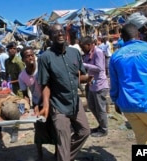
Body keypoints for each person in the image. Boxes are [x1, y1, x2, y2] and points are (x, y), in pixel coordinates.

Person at [38, 23, 90, 161]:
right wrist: (46, 105)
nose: (60, 34)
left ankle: (63, 157)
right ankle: (64, 156)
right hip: (58, 105)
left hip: (75, 102)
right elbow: (45, 84)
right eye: (56, 32)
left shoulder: (75, 53)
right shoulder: (45, 58)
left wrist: (89, 78)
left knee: (84, 131)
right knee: (63, 140)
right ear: (50, 37)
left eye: (61, 31)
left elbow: (80, 75)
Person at [109, 23, 147, 144]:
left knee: (142, 139)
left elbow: (114, 83)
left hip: (128, 106)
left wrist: (115, 101)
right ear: (138, 35)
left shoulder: (116, 56)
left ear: (122, 37)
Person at [18, 46, 56, 161]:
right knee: (39, 131)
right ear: (23, 60)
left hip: (50, 100)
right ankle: (40, 154)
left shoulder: (42, 68)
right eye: (27, 56)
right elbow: (25, 94)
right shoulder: (22, 76)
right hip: (36, 104)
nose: (31, 58)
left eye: (32, 55)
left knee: (55, 127)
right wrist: (25, 109)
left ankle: (58, 153)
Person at [80, 36, 109, 137]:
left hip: (100, 85)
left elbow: (99, 68)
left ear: (89, 45)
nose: (82, 49)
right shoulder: (88, 54)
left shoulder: (98, 52)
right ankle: (100, 125)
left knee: (100, 108)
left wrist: (84, 65)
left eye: (83, 47)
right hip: (92, 84)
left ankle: (104, 129)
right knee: (92, 106)